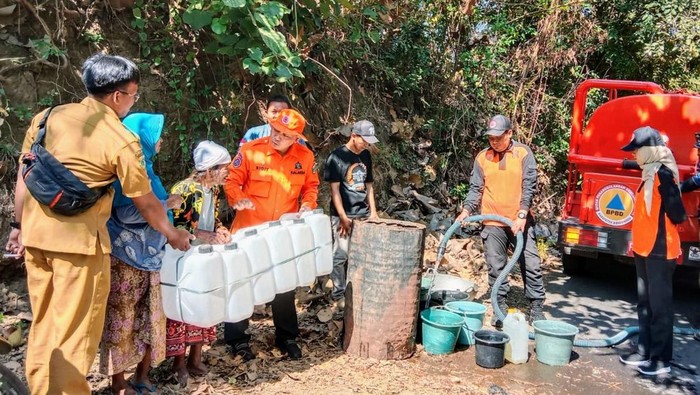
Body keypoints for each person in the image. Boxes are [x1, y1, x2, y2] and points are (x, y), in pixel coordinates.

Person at [3, 53, 191, 394]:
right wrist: (173, 234)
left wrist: (17, 226)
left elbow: (24, 173)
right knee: (76, 333)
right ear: (119, 96)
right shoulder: (120, 138)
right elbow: (146, 202)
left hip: (36, 238)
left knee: (45, 324)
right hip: (79, 247)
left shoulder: (47, 118)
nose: (133, 101)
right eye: (134, 95)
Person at [224, 108, 319, 361]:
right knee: (242, 285)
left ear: (297, 137)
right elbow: (231, 182)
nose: (277, 136)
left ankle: (286, 336)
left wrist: (308, 203)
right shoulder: (250, 151)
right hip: (248, 232)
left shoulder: (305, 157)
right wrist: (238, 198)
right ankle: (238, 340)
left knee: (283, 285)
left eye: (285, 134)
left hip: (281, 235)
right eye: (275, 130)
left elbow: (311, 186)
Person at [100, 113, 182, 395]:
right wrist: (165, 203)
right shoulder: (125, 171)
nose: (161, 141)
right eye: (157, 135)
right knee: (121, 320)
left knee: (153, 317)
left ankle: (143, 375)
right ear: (141, 138)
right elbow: (126, 211)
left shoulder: (148, 170)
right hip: (126, 256)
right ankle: (118, 382)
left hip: (153, 256)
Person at [456, 114, 546, 327]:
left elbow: (529, 185)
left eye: (499, 137)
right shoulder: (482, 157)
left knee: (531, 263)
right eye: (491, 138)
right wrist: (466, 210)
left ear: (509, 133)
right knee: (496, 266)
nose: (494, 141)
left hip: (519, 222)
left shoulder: (523, 153)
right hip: (492, 222)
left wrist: (522, 213)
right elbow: (476, 188)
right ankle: (499, 308)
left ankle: (536, 307)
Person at [618, 126, 686, 376]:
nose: (634, 154)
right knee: (645, 305)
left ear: (649, 150)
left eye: (636, 149)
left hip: (660, 250)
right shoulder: (648, 173)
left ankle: (660, 359)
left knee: (660, 308)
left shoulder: (664, 174)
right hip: (643, 249)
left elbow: (677, 213)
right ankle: (644, 351)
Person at [165, 140, 232, 385]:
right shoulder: (185, 189)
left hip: (204, 257)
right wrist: (206, 235)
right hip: (184, 257)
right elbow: (179, 228)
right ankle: (178, 363)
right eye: (224, 167)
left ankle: (196, 356)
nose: (228, 172)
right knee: (185, 308)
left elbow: (212, 220)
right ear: (211, 169)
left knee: (204, 304)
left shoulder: (212, 190)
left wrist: (221, 230)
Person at [323, 120, 379, 307]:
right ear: (353, 136)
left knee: (362, 254)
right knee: (340, 255)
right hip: (342, 215)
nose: (366, 144)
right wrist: (342, 216)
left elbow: (369, 185)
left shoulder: (366, 156)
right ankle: (338, 294)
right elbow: (335, 190)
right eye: (364, 140)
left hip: (362, 213)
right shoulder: (336, 157)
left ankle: (358, 290)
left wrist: (373, 213)